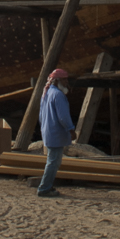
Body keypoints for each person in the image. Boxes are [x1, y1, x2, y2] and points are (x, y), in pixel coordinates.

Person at [36, 68, 74, 197]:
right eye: (64, 79)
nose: (66, 82)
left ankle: (47, 186)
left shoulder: (46, 93)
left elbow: (41, 115)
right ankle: (44, 188)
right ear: (57, 80)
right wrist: (71, 129)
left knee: (52, 161)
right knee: (53, 162)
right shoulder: (58, 95)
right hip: (56, 132)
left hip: (48, 130)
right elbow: (63, 116)